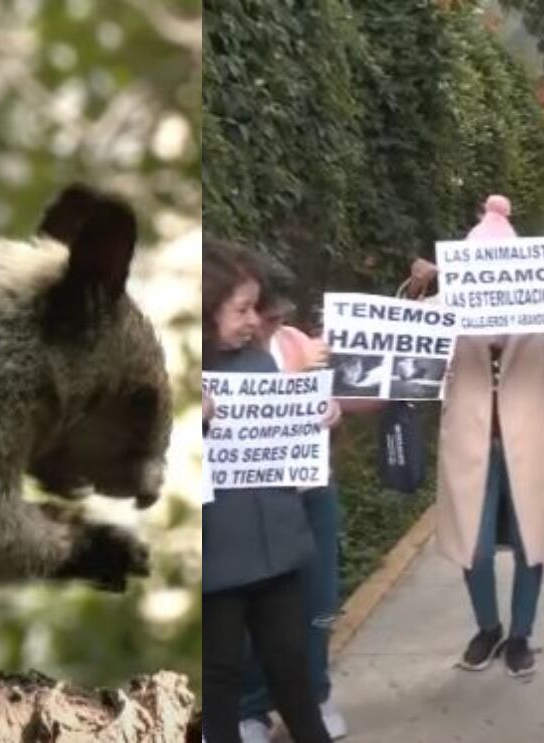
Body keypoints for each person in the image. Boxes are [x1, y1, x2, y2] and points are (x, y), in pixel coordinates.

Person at [408, 195, 544, 678]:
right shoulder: (445, 305)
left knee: (530, 541)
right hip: (468, 441)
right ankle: (488, 628)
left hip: (529, 439)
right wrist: (415, 290)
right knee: (471, 545)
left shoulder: (540, 298)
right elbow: (403, 344)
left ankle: (520, 636)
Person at [202, 238, 332, 743]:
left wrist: (321, 419)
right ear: (205, 309)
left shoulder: (259, 364)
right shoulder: (168, 373)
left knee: (291, 665)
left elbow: (292, 448)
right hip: (214, 561)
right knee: (219, 677)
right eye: (241, 309)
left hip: (276, 552)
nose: (254, 320)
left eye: (255, 307)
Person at [238, 259, 347, 741]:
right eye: (263, 316)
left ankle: (315, 694)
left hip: (312, 493)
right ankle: (252, 707)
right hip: (250, 502)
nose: (269, 326)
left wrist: (334, 410)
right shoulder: (215, 359)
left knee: (319, 599)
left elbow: (330, 401)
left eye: (280, 317)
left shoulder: (299, 345)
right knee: (254, 607)